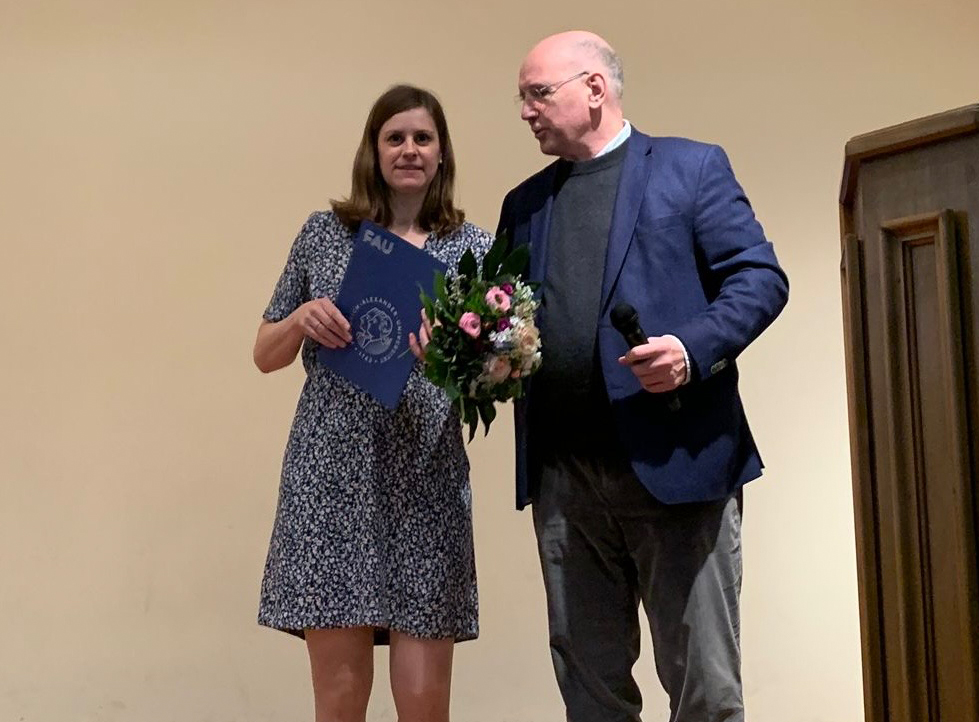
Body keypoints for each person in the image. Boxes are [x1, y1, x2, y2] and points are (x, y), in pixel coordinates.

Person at [497, 32, 789, 721]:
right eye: (523, 98)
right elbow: (506, 318)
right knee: (589, 694)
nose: (526, 111)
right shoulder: (524, 204)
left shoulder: (690, 168)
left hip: (678, 465)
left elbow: (759, 278)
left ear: (594, 89)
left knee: (703, 691)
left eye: (539, 94)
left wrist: (689, 350)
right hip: (566, 481)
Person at [253, 84, 492, 722]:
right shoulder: (325, 235)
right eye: (395, 137)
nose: (409, 149)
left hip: (425, 480)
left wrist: (453, 357)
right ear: (374, 150)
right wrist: (300, 319)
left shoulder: (473, 249)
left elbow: (496, 380)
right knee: (338, 699)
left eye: (423, 138)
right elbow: (265, 353)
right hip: (332, 479)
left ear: (441, 153)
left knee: (424, 702)